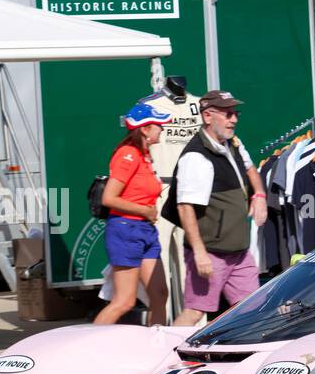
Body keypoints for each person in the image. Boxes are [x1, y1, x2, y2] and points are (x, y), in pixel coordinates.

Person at [164, 90, 268, 326]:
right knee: (195, 311)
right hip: (211, 252)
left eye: (236, 113)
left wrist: (259, 195)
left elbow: (250, 168)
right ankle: (166, 356)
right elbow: (185, 207)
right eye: (228, 114)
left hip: (239, 252)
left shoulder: (232, 144)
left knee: (253, 308)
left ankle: (242, 355)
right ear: (208, 116)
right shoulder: (196, 157)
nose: (234, 119)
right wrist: (200, 252)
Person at [93, 102, 171, 325]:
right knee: (124, 302)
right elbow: (109, 198)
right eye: (158, 125)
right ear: (145, 129)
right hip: (126, 230)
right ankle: (87, 347)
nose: (162, 129)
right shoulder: (128, 154)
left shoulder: (144, 155)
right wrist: (144, 210)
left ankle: (157, 347)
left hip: (145, 230)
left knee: (160, 294)